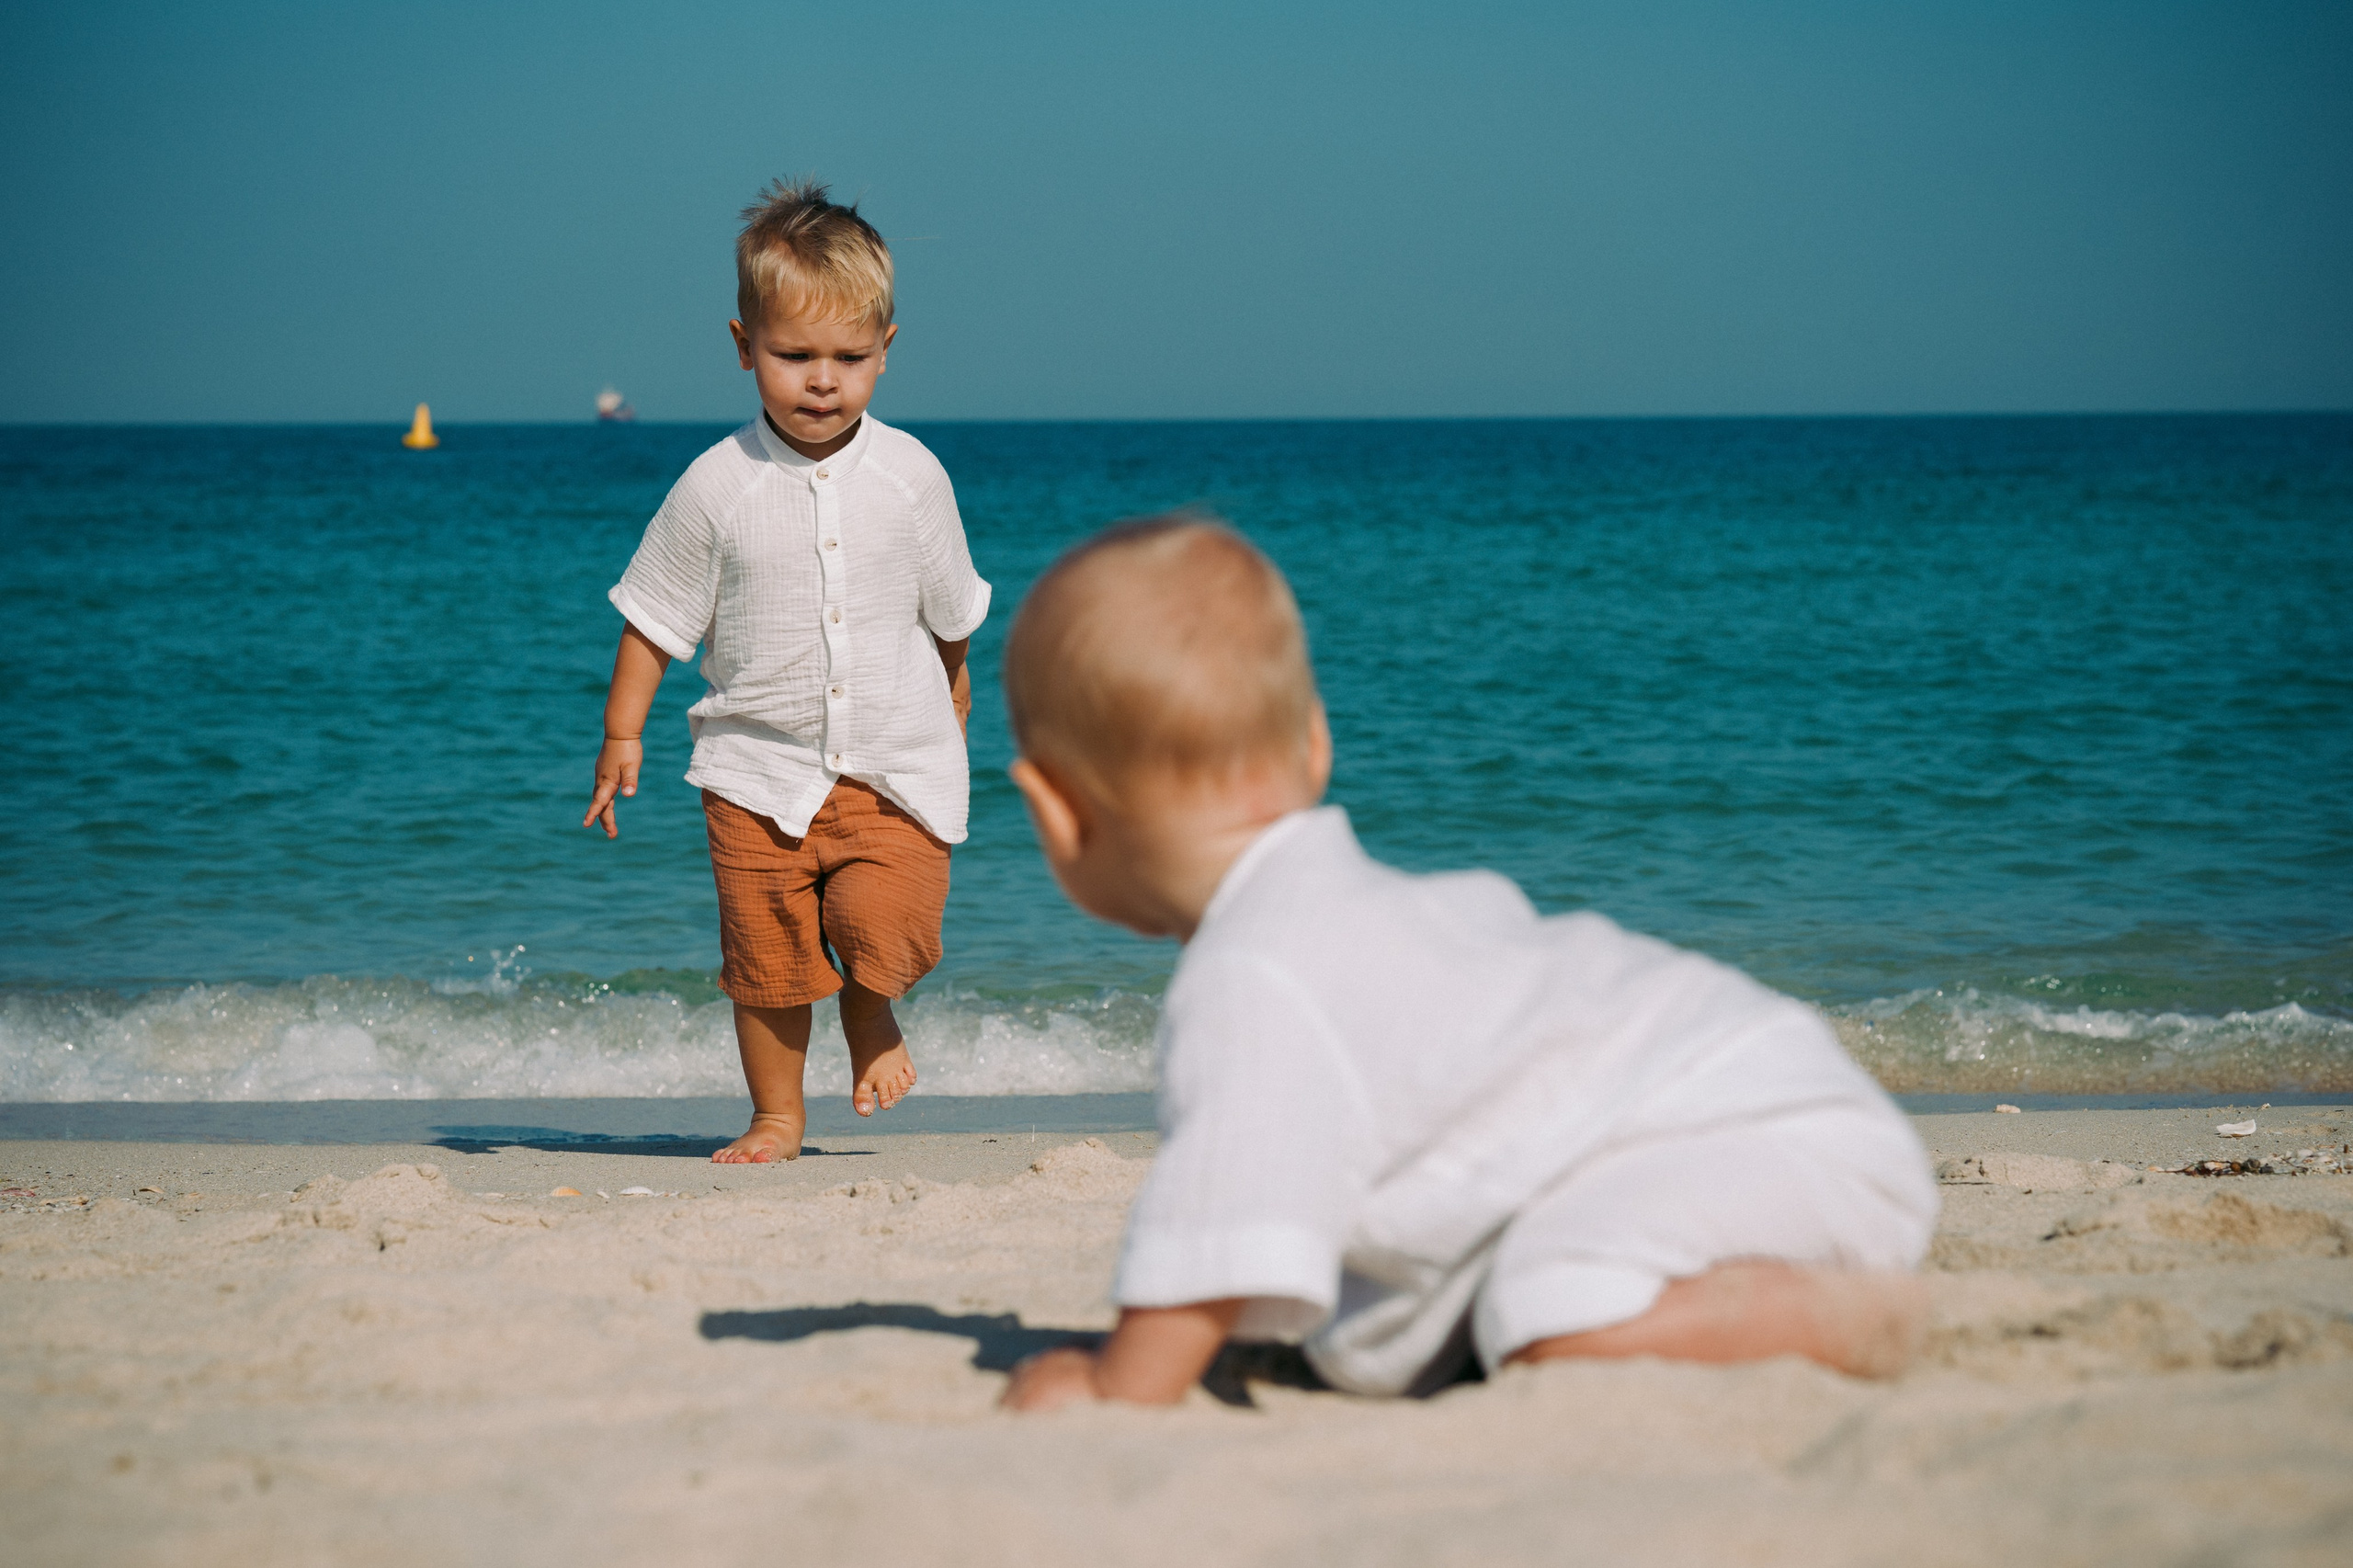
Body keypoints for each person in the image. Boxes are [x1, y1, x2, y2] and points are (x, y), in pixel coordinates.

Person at [995, 517, 1938, 1408]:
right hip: (1780, 1113)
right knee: (1524, 1295)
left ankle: (1845, 1317)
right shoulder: (1356, 916)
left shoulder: (1253, 972)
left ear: (1056, 813)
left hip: (1753, 1130)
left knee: (1546, 1312)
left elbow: (1217, 1214)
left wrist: (1122, 1383)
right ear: (1316, 742)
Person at [585, 179, 989, 1164]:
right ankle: (775, 1114)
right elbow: (653, 621)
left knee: (880, 920)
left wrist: (955, 722)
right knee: (764, 964)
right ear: (742, 346)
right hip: (754, 774)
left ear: (887, 349)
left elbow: (951, 622)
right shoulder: (716, 484)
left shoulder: (911, 476)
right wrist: (622, 735)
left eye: (849, 358)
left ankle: (872, 1004)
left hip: (895, 766)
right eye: (793, 355)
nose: (821, 380)